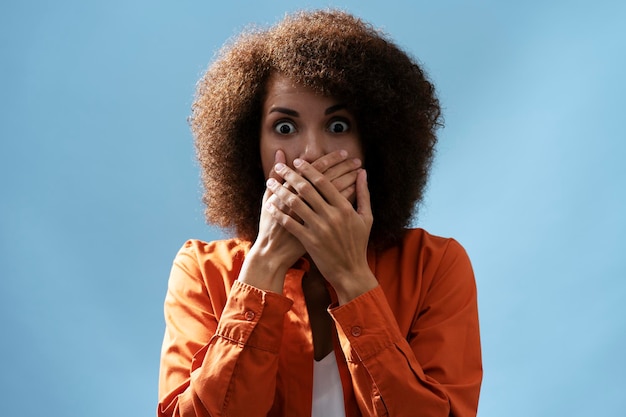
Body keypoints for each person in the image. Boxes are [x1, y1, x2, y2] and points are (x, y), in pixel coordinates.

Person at [157, 9, 482, 417]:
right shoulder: (202, 272)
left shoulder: (435, 266)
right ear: (249, 147)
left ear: (375, 144)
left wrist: (352, 278)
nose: (311, 154)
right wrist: (265, 265)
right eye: (285, 128)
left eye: (339, 126)